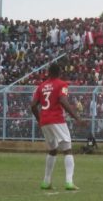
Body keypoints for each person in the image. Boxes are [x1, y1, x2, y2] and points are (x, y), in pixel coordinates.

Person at [31, 63, 82, 191]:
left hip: (45, 121)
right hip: (57, 120)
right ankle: (69, 182)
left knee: (52, 150)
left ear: (48, 72)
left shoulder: (41, 86)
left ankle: (46, 181)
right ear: (59, 72)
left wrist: (39, 119)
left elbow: (33, 105)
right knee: (67, 150)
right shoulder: (62, 84)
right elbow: (63, 101)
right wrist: (76, 117)